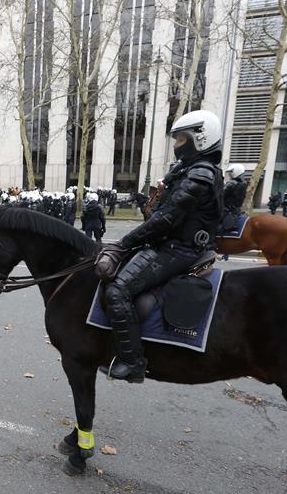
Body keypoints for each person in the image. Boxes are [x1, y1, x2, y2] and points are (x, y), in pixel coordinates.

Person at [96, 109, 224, 384]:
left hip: (179, 249)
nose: (176, 145)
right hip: (170, 242)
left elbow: (166, 219)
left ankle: (133, 361)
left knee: (118, 290)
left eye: (180, 139)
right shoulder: (187, 169)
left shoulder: (201, 173)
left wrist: (121, 244)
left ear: (199, 139)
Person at [221, 164, 247, 230]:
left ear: (236, 172)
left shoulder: (231, 184)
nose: (230, 175)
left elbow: (220, 195)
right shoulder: (243, 183)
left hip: (227, 210)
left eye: (231, 173)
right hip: (238, 210)